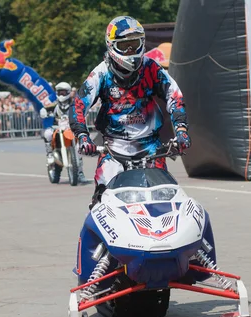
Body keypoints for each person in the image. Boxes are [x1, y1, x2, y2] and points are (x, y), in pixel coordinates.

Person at [69, 15, 191, 209]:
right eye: (125, 45)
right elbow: (78, 105)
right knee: (101, 203)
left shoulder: (152, 68)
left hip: (151, 149)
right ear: (111, 45)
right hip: (113, 150)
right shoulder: (100, 73)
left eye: (134, 44)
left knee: (166, 201)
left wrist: (181, 131)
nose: (130, 51)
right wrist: (83, 137)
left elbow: (174, 95)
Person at [40, 82, 88, 183]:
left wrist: (84, 113)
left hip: (70, 128)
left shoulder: (74, 104)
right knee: (48, 133)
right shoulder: (55, 105)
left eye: (63, 92)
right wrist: (44, 111)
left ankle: (80, 173)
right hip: (57, 128)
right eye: (60, 92)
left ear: (68, 93)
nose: (61, 95)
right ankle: (49, 154)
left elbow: (82, 109)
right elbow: (45, 108)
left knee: (78, 146)